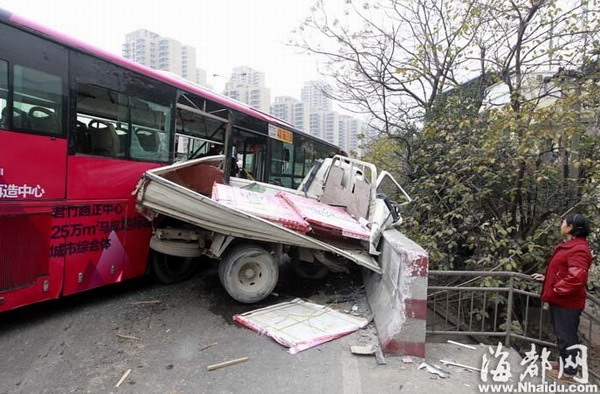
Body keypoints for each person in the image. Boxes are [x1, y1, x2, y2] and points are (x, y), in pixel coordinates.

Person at [531, 213, 592, 382]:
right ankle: (564, 362)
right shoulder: (572, 245)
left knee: (567, 335)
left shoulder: (579, 249)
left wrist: (556, 288)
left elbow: (577, 277)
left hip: (567, 301)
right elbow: (565, 271)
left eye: (563, 223)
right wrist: (548, 279)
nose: (561, 225)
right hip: (561, 298)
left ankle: (570, 372)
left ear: (571, 227)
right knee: (562, 333)